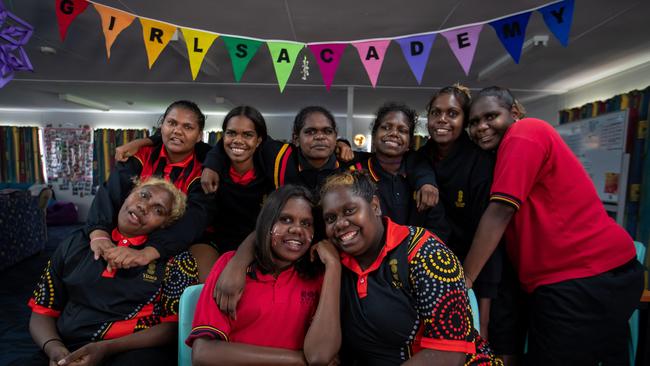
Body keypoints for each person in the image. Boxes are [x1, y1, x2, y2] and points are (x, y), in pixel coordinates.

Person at [463, 86, 643, 365]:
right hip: (596, 274)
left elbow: (500, 212)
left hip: (584, 277)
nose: (481, 127)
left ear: (514, 113)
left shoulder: (526, 132)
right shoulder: (500, 154)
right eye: (473, 122)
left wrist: (465, 280)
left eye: (491, 116)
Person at [320, 171, 501, 365]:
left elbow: (448, 355)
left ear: (374, 206)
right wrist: (332, 266)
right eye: (330, 218)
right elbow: (319, 355)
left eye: (349, 211)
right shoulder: (336, 262)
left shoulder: (427, 254)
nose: (340, 223)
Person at [24, 178, 199, 366]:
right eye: (143, 195)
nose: (144, 206)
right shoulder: (76, 243)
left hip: (132, 351)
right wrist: (55, 349)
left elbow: (174, 328)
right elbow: (42, 311)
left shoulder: (177, 261)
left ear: (165, 225)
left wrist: (107, 348)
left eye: (158, 210)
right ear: (128, 195)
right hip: (67, 347)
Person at [419, 85, 524, 363]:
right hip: (443, 269)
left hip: (486, 268)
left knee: (489, 338)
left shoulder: (480, 163)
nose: (442, 119)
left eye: (452, 113)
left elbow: (491, 236)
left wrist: (482, 301)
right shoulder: (423, 155)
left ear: (464, 122)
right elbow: (416, 163)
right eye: (436, 113)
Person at [187, 185, 341, 366]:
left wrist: (333, 266)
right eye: (285, 219)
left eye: (306, 223)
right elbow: (203, 354)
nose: (297, 230)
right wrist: (298, 360)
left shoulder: (318, 275)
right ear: (267, 224)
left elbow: (321, 356)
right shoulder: (230, 265)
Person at [88, 100, 215, 281]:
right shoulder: (139, 155)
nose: (177, 131)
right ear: (161, 125)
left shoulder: (205, 171)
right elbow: (111, 194)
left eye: (188, 127)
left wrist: (151, 251)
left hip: (181, 238)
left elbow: (195, 218)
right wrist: (99, 232)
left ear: (198, 135)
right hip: (131, 228)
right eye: (171, 123)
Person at [348, 102, 449, 240]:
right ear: (374, 135)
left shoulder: (423, 177)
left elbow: (439, 230)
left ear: (410, 143)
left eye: (402, 130)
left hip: (416, 257)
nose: (394, 133)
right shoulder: (355, 175)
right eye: (386, 127)